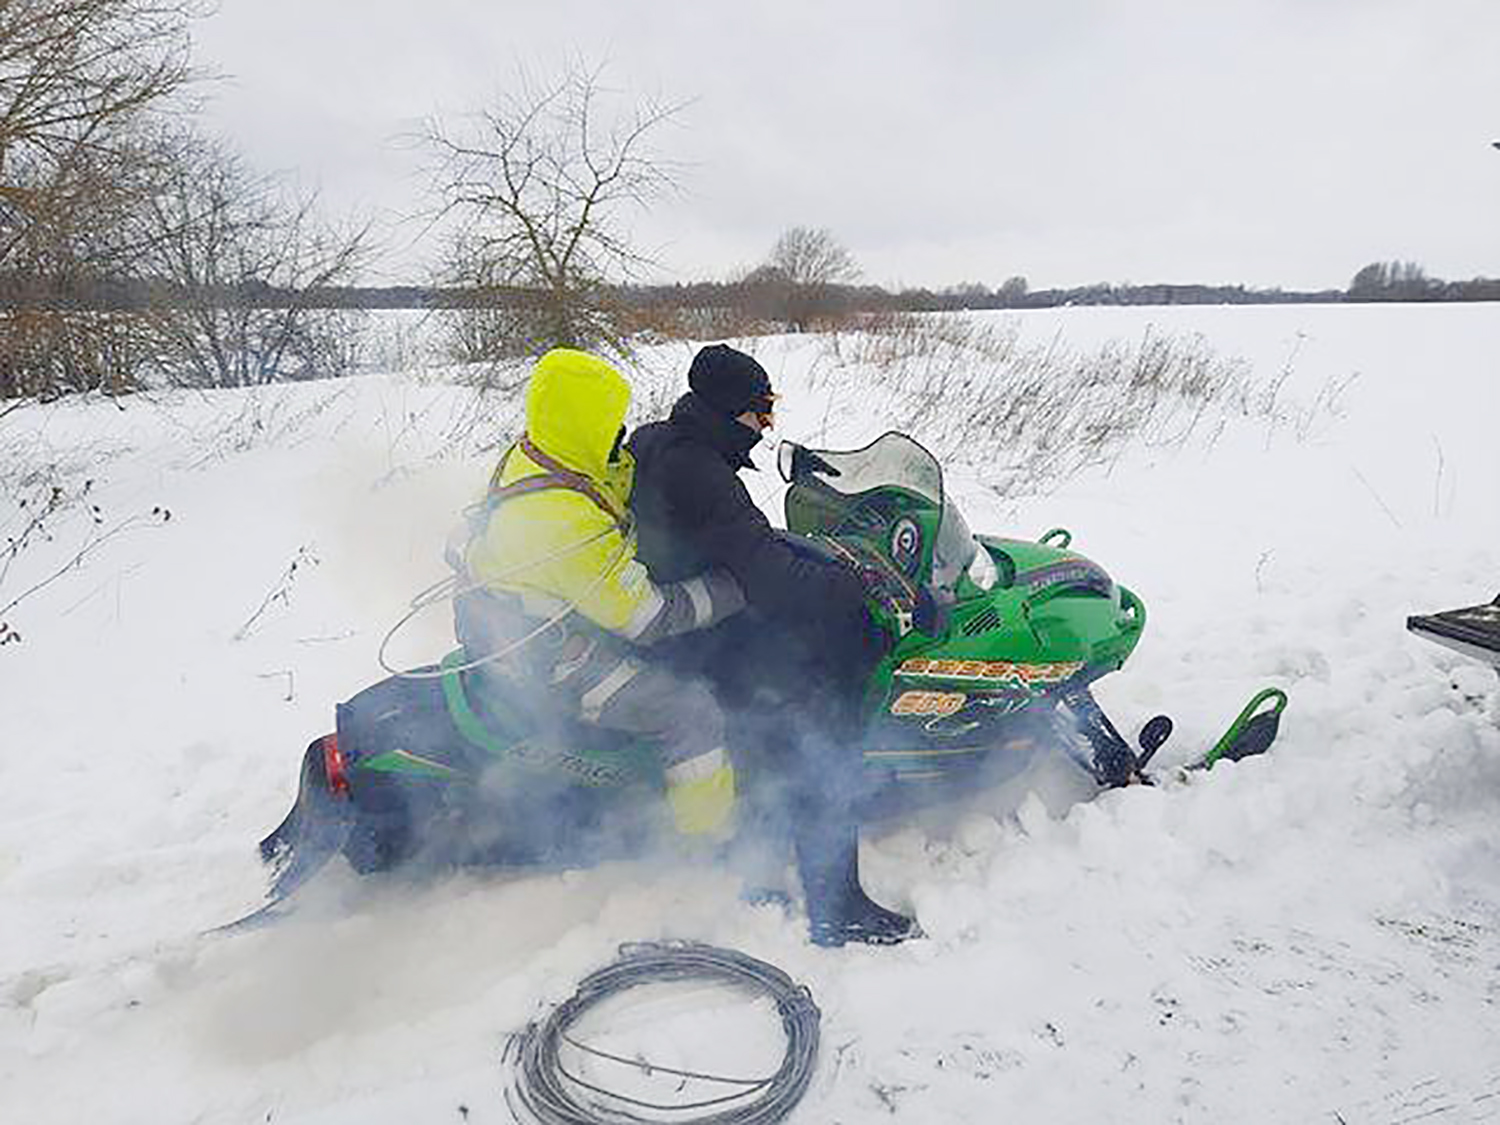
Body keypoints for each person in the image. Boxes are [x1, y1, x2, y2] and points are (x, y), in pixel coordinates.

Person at [626, 343, 919, 947]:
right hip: (691, 637)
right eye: (761, 412)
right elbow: (769, 576)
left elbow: (745, 543)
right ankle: (836, 906)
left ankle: (762, 859)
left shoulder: (662, 442)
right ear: (730, 410)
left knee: (772, 701)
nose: (766, 426)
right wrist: (854, 589)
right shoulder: (705, 472)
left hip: (674, 617)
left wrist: (816, 558)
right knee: (818, 728)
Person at [452, 347, 747, 847]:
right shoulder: (566, 523)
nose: (619, 435)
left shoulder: (533, 454)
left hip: (519, 629)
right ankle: (711, 838)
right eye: (611, 424)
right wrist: (733, 588)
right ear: (583, 422)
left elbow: (605, 481)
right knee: (691, 710)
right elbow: (651, 618)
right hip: (555, 665)